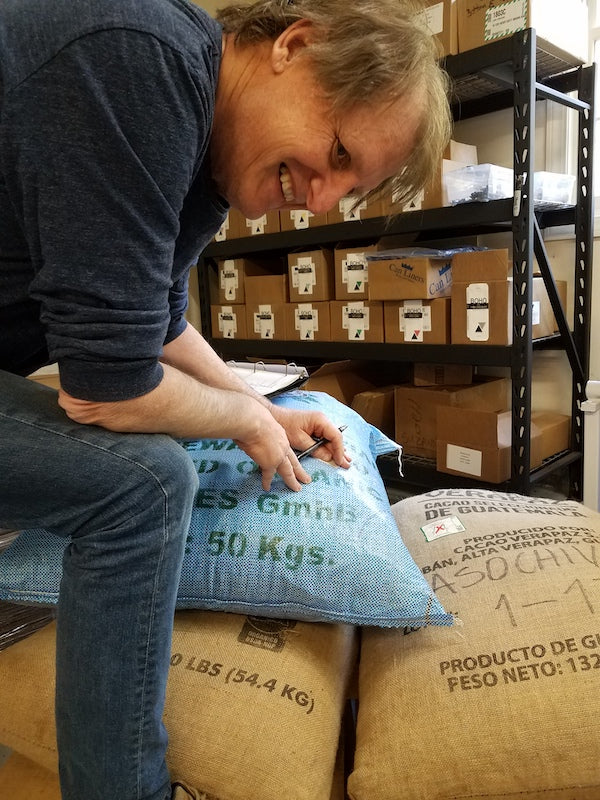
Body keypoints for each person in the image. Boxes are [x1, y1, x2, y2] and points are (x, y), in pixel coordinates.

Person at [0, 0, 451, 797]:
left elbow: (158, 323)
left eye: (347, 188)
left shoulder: (202, 161)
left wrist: (266, 411)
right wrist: (242, 416)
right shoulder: (141, 60)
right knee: (145, 483)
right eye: (336, 150)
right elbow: (106, 389)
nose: (316, 202)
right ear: (294, 46)